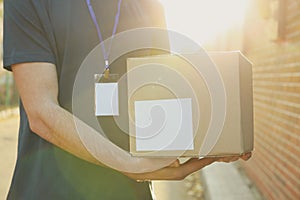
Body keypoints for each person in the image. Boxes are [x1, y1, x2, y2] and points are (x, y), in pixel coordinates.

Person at [3, 0, 251, 199]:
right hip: (49, 190)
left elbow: (162, 98)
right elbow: (42, 111)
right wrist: (128, 164)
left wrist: (216, 138)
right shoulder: (28, 2)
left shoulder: (151, 7)